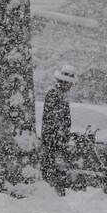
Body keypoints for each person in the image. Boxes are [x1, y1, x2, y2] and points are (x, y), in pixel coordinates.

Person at [40, 63, 77, 194]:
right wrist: (59, 140)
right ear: (64, 82)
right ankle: (54, 197)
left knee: (57, 174)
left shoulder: (59, 95)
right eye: (70, 83)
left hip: (56, 143)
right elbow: (54, 122)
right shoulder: (54, 95)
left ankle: (56, 195)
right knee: (54, 174)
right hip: (53, 144)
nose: (71, 86)